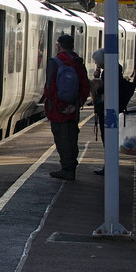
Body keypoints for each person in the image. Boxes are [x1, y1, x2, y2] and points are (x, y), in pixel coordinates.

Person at [45, 34, 90, 180]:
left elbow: (50, 89)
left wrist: (59, 107)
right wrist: (76, 105)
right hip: (73, 110)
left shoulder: (55, 62)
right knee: (72, 138)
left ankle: (67, 168)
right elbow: (85, 86)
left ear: (59, 45)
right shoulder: (78, 62)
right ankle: (71, 167)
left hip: (59, 110)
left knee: (62, 138)